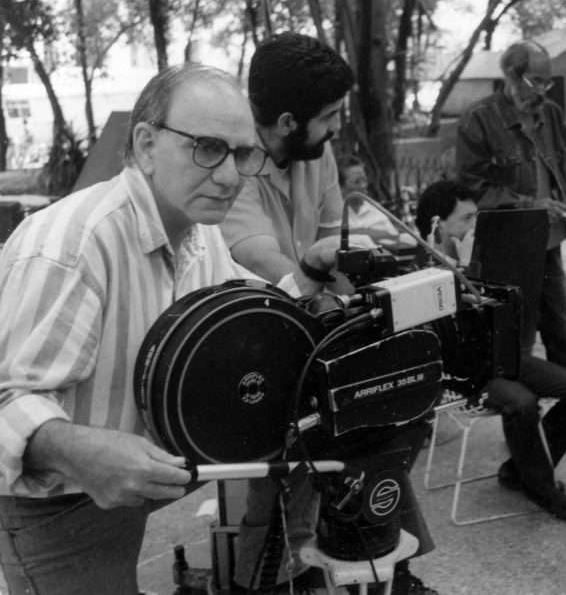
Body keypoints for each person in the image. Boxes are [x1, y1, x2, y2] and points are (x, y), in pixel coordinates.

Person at [0, 64, 342, 594]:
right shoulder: (72, 245)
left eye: (242, 153)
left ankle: (270, 576)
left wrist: (314, 279)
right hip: (60, 504)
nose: (229, 175)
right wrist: (76, 449)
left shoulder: (197, 234)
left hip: (149, 472)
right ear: (144, 143)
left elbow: (255, 316)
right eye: (207, 147)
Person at [219, 33, 436, 595]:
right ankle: (265, 583)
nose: (340, 125)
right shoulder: (234, 162)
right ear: (288, 121)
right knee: (283, 477)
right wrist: (318, 285)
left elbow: (336, 235)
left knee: (376, 428)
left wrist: (374, 296)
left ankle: (390, 561)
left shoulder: (319, 152)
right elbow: (256, 253)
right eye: (332, 115)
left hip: (314, 317)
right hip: (255, 338)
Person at [456, 38, 566, 450]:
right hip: (508, 249)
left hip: (549, 243)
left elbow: (564, 164)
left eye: (547, 82)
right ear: (510, 75)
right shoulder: (480, 119)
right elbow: (471, 187)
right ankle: (524, 428)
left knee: (565, 334)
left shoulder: (552, 113)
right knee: (516, 346)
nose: (542, 91)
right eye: (534, 81)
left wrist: (559, 205)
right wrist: (530, 204)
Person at [413, 181, 566, 520]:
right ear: (438, 224)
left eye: (475, 218)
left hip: (498, 356)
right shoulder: (417, 266)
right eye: (466, 219)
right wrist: (468, 272)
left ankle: (520, 469)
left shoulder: (480, 251)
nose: (474, 227)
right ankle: (541, 487)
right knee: (521, 402)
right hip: (459, 370)